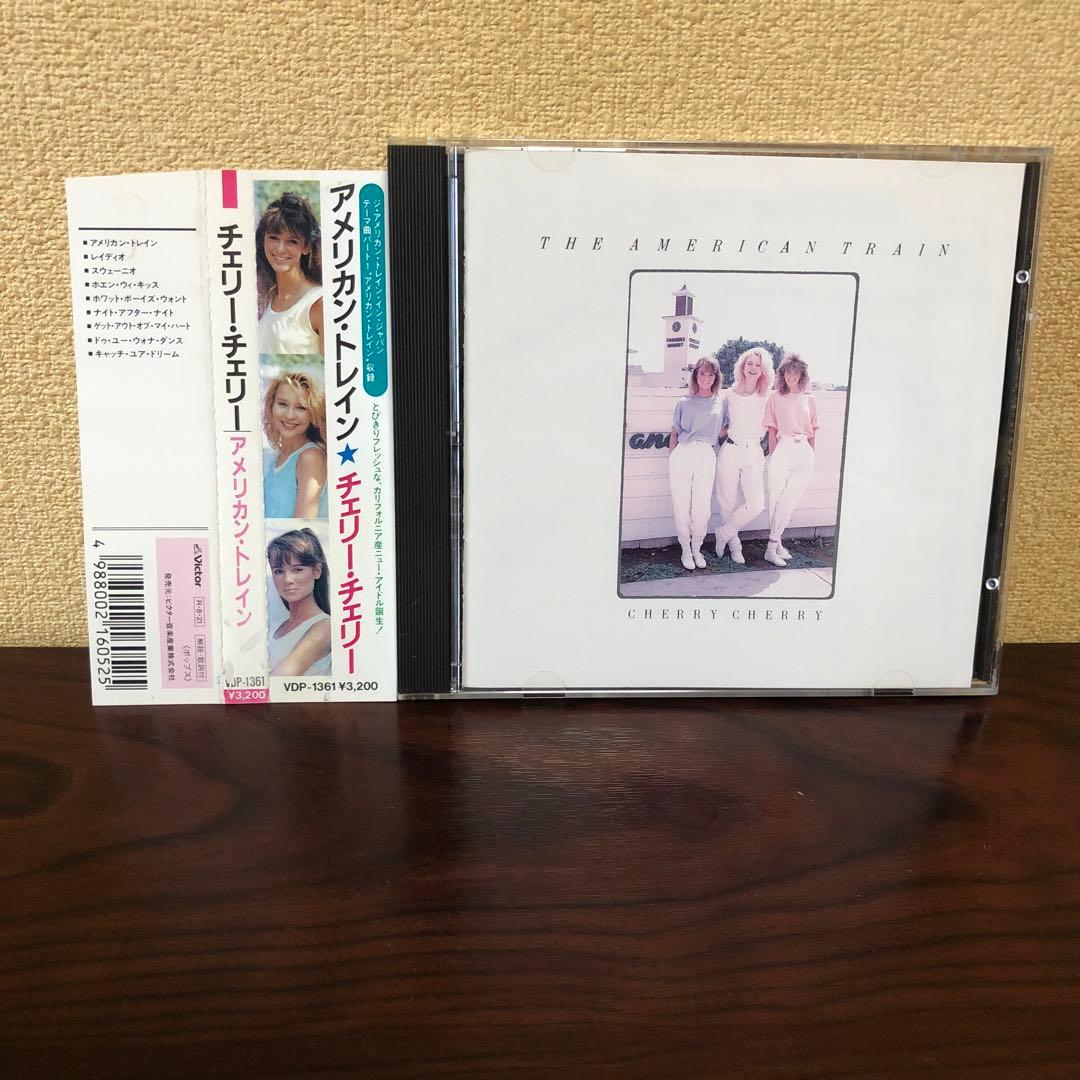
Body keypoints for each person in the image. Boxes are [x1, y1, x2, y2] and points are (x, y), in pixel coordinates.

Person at [715, 347, 774, 564]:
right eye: (750, 363)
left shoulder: (768, 396)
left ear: (763, 370)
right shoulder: (728, 394)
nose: (753, 368)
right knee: (727, 502)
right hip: (730, 450)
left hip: (754, 452)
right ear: (742, 366)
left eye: (758, 365)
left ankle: (724, 532)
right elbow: (719, 422)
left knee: (756, 504)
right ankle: (735, 546)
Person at [668, 355, 725, 570]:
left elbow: (724, 429)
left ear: (716, 377)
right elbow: (674, 433)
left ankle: (697, 548)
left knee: (702, 506)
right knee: (681, 503)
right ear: (695, 375)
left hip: (706, 454)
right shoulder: (683, 402)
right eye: (702, 373)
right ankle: (685, 549)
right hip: (682, 453)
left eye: (711, 374)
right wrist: (673, 457)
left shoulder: (721, 402)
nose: (706, 378)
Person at [763, 353, 819, 567]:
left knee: (790, 500)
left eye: (796, 372)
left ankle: (772, 546)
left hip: (804, 451)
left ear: (802, 375)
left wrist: (811, 455)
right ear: (782, 374)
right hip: (782, 449)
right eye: (788, 372)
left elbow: (813, 432)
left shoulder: (810, 399)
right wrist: (772, 456)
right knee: (775, 500)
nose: (791, 376)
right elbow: (772, 430)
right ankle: (775, 546)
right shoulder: (775, 398)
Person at [255, 191, 323, 356]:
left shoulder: (319, 303)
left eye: (292, 241)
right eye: (273, 238)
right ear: (263, 240)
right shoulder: (268, 298)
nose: (280, 249)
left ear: (306, 247)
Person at [262, 371, 328, 519]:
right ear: (271, 406)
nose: (289, 415)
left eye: (301, 408)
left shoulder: (310, 457)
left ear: (313, 413)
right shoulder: (280, 455)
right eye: (282, 404)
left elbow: (303, 524)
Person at [267, 528, 332, 677]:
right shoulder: (275, 627)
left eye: (297, 570)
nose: (287, 580)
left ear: (317, 571)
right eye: (278, 571)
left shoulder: (325, 627)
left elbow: (281, 678)